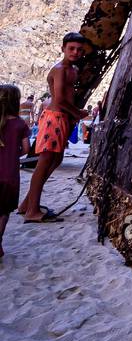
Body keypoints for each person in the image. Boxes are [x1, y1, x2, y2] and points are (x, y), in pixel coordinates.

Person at [17, 33, 88, 222]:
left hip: (63, 118)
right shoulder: (59, 69)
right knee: (45, 162)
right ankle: (32, 210)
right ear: (63, 48)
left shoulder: (72, 70)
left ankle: (27, 204)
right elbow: (58, 100)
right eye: (71, 48)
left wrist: (73, 114)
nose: (75, 52)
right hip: (54, 119)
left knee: (55, 160)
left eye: (80, 50)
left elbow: (67, 97)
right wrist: (77, 113)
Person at [0, 86, 32, 255]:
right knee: (4, 212)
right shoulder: (20, 124)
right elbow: (26, 149)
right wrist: (13, 153)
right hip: (10, 175)